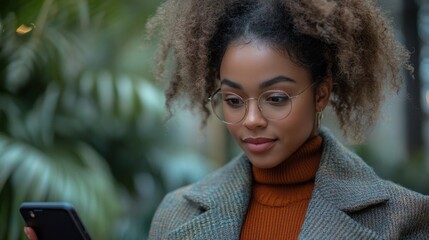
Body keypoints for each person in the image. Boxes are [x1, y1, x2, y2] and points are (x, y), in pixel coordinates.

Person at [25, 0, 429, 239]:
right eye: (234, 100)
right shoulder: (178, 214)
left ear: (321, 92)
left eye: (274, 98)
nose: (250, 119)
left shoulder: (402, 217)